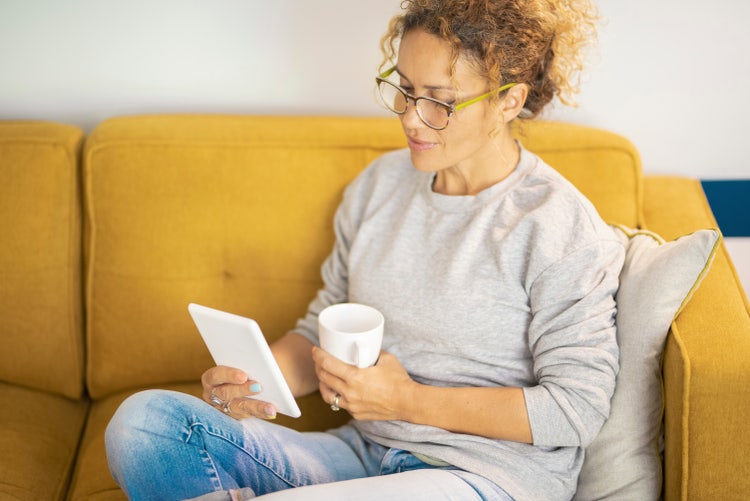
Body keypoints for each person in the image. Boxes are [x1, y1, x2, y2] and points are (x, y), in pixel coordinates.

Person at [105, 0, 624, 499]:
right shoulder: (378, 186)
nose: (411, 118)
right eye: (403, 89)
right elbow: (321, 330)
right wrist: (256, 382)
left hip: (486, 475)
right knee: (145, 426)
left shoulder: (557, 226)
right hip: (365, 456)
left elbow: (575, 409)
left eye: (439, 101)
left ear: (509, 99)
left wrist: (406, 400)